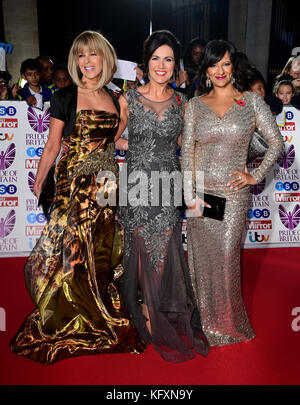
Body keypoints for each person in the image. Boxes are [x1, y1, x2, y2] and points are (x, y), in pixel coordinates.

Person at [10, 30, 145, 364]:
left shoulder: (116, 99)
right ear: (75, 61)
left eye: (93, 54)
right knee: (70, 255)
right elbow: (54, 144)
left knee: (101, 254)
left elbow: (113, 142)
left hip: (108, 186)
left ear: (105, 59)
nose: (87, 61)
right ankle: (69, 316)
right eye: (81, 55)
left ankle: (96, 313)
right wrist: (40, 179)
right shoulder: (65, 97)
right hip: (75, 185)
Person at [181, 39, 283, 347]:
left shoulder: (250, 102)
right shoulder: (195, 105)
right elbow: (187, 153)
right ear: (207, 70)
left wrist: (254, 176)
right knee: (202, 260)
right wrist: (189, 197)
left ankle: (228, 325)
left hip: (233, 195)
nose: (221, 70)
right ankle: (205, 321)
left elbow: (276, 143)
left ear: (233, 66)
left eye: (226, 63)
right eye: (214, 64)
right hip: (201, 194)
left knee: (225, 258)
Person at [115, 30, 209, 363]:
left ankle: (157, 304)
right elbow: (108, 137)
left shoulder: (183, 102)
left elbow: (188, 144)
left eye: (168, 59)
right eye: (156, 58)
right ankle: (146, 309)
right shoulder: (128, 99)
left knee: (165, 247)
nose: (162, 65)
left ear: (176, 65)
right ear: (147, 61)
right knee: (140, 248)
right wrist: (129, 146)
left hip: (168, 183)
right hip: (138, 184)